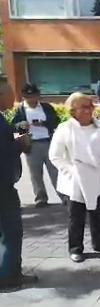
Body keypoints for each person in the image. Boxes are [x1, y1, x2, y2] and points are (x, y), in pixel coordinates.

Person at [49, 92, 100, 263]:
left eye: (90, 105)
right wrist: (71, 172)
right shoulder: (64, 129)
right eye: (83, 106)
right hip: (75, 182)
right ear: (73, 109)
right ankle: (75, 248)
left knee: (98, 214)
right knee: (76, 217)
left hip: (97, 179)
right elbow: (55, 156)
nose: (88, 109)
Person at [0, 80, 38, 288]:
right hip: (3, 185)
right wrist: (22, 139)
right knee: (11, 231)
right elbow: (8, 150)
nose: (13, 97)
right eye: (9, 92)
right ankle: (8, 275)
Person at [10, 83, 63, 208]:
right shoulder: (20, 110)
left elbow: (56, 121)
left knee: (55, 171)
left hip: (48, 141)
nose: (31, 99)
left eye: (33, 96)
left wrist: (43, 123)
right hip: (31, 144)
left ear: (38, 96)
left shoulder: (46, 107)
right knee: (35, 174)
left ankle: (64, 196)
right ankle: (41, 198)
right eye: (28, 97)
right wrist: (23, 127)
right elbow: (13, 128)